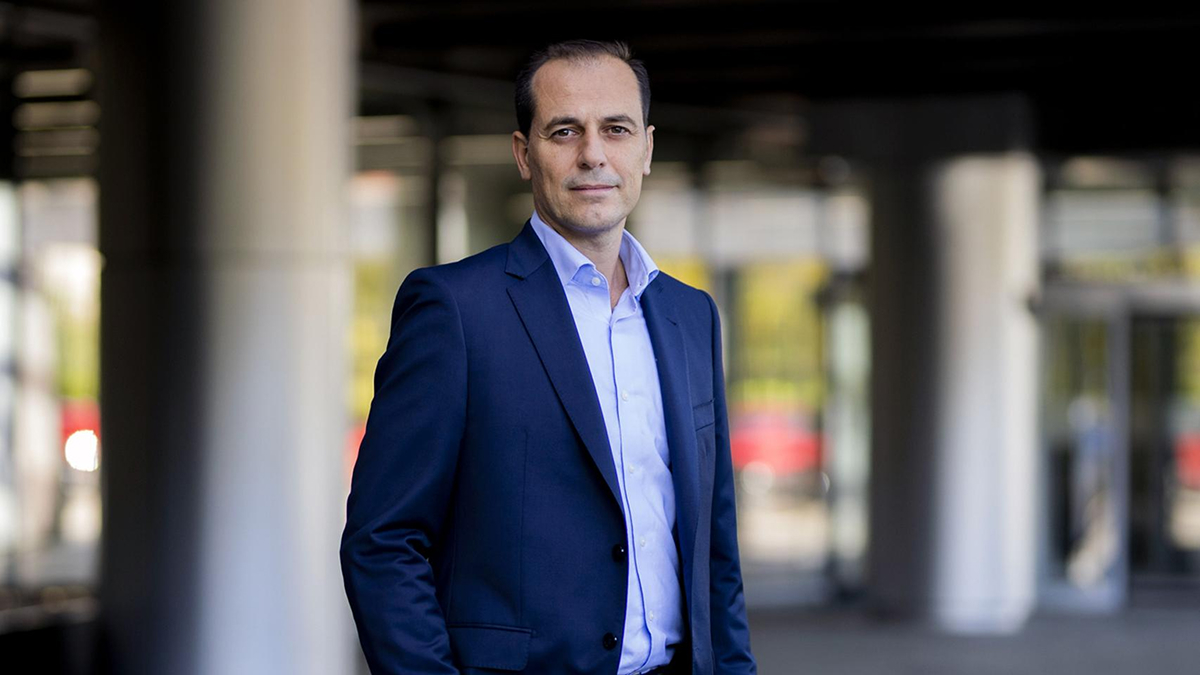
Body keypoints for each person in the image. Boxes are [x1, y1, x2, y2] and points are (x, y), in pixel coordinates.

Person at [340, 39, 756, 675]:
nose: (593, 154)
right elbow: (383, 540)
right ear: (523, 153)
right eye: (565, 131)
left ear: (646, 149)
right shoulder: (455, 310)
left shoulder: (690, 315)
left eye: (616, 129)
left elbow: (714, 545)